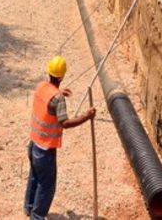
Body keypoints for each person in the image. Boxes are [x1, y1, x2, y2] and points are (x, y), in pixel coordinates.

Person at [24, 55, 96, 220]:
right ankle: (37, 216)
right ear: (62, 76)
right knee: (47, 185)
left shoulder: (41, 86)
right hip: (45, 150)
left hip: (34, 143)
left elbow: (49, 98)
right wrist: (87, 116)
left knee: (35, 176)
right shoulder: (58, 99)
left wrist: (58, 92)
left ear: (49, 72)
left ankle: (28, 208)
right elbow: (65, 123)